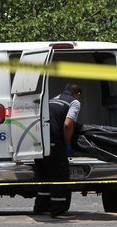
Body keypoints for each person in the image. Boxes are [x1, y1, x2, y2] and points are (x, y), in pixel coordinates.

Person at [33, 82, 82, 218]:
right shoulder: (74, 102)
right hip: (55, 142)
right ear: (77, 94)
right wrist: (67, 144)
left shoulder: (52, 99)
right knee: (60, 175)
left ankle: (41, 208)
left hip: (40, 141)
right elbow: (67, 124)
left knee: (44, 176)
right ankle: (58, 210)